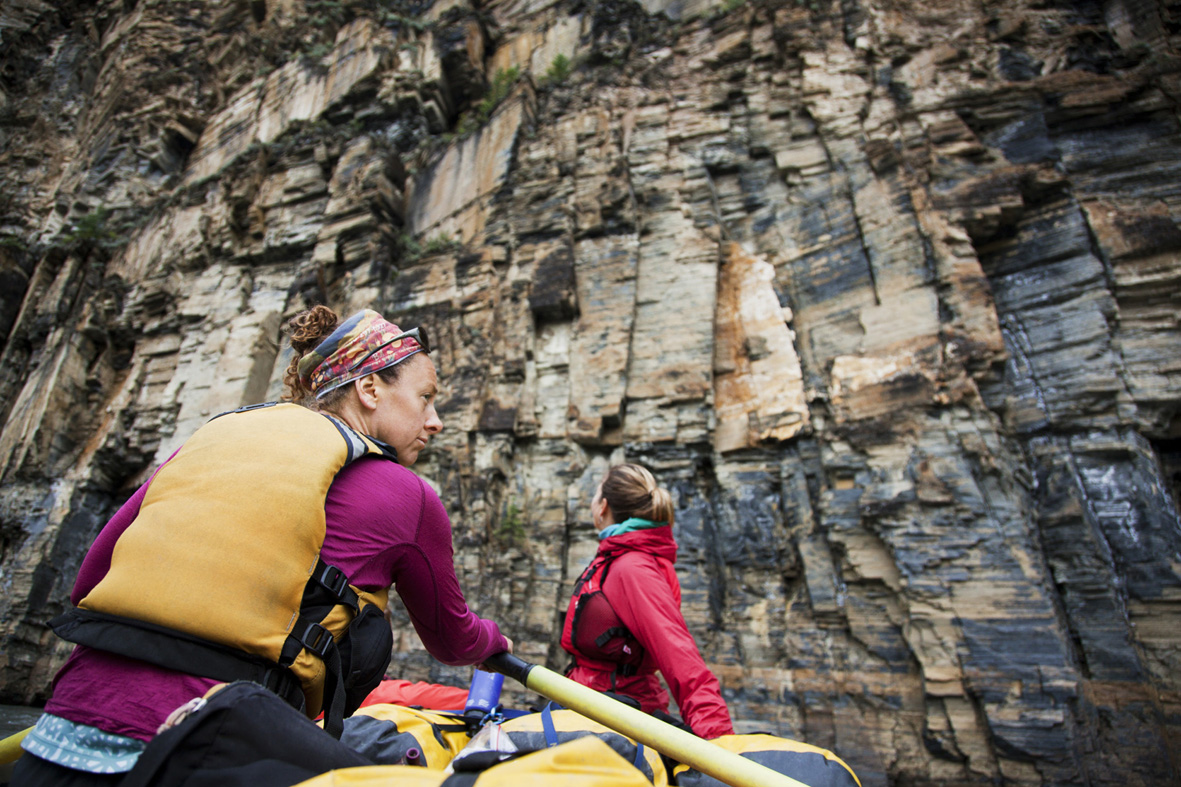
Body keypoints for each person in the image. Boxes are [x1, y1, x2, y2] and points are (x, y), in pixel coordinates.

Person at [14, 306, 511, 786]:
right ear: (369, 389)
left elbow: (91, 578)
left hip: (63, 729)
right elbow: (453, 641)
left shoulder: (214, 438)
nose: (436, 420)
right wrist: (496, 644)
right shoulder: (409, 497)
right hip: (205, 749)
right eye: (426, 398)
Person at [560, 463, 733, 739]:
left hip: (618, 723)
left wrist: (721, 748)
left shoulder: (633, 568)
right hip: (590, 708)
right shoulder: (619, 556)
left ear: (602, 507)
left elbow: (680, 657)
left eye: (594, 496)